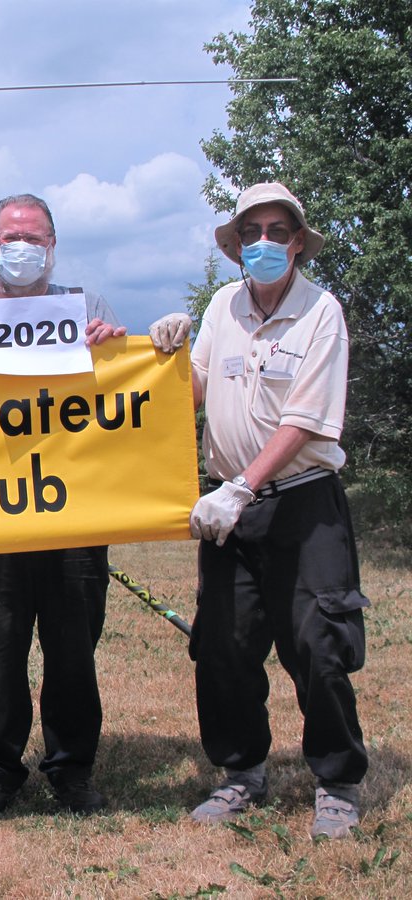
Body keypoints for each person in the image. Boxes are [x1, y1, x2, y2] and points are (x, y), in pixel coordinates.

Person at [0, 193, 187, 817]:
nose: (22, 247)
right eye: (11, 236)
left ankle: (72, 769)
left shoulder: (87, 305)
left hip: (75, 511)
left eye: (35, 236)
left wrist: (117, 347)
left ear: (52, 245)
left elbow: (121, 394)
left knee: (73, 650)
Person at [187, 183, 367, 839]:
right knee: (223, 647)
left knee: (319, 644)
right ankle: (241, 775)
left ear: (296, 242)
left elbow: (306, 422)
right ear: (237, 245)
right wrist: (161, 360)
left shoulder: (322, 313)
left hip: (301, 505)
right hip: (228, 512)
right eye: (252, 231)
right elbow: (195, 389)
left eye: (278, 230)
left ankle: (338, 781)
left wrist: (242, 487)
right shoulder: (220, 307)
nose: (264, 242)